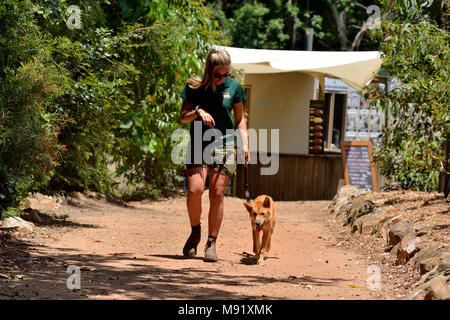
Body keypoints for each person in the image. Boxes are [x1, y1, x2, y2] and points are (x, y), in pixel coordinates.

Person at [179, 48, 249, 262]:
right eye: (218, 75)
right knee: (194, 190)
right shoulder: (194, 87)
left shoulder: (234, 87)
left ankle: (211, 242)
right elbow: (183, 117)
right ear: (209, 71)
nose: (222, 79)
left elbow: (239, 119)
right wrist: (198, 111)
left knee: (217, 193)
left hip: (225, 142)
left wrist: (245, 144)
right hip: (199, 141)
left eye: (226, 74)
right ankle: (195, 231)